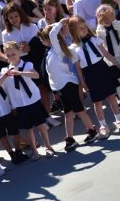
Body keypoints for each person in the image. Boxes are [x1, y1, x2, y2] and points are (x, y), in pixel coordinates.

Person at [37, 23, 98, 153]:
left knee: (79, 110)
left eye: (42, 39)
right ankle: (70, 138)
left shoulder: (57, 50)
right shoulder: (51, 52)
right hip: (61, 87)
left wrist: (59, 23)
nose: (41, 42)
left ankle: (92, 130)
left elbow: (53, 33)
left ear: (48, 41)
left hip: (68, 85)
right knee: (68, 114)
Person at [67, 17, 120, 135]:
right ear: (73, 31)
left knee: (111, 96)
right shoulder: (73, 48)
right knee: (97, 101)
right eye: (81, 28)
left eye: (84, 26)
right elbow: (78, 67)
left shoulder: (94, 39)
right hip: (89, 74)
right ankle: (103, 125)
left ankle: (119, 120)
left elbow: (106, 53)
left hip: (102, 68)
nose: (84, 29)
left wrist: (118, 65)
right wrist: (82, 82)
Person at [0, 42, 54, 158]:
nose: (11, 57)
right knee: (28, 129)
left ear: (19, 53)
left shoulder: (27, 64)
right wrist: (4, 77)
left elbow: (36, 75)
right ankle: (34, 151)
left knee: (41, 125)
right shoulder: (4, 71)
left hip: (33, 100)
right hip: (20, 105)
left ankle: (48, 147)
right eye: (8, 55)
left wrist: (20, 73)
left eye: (13, 54)